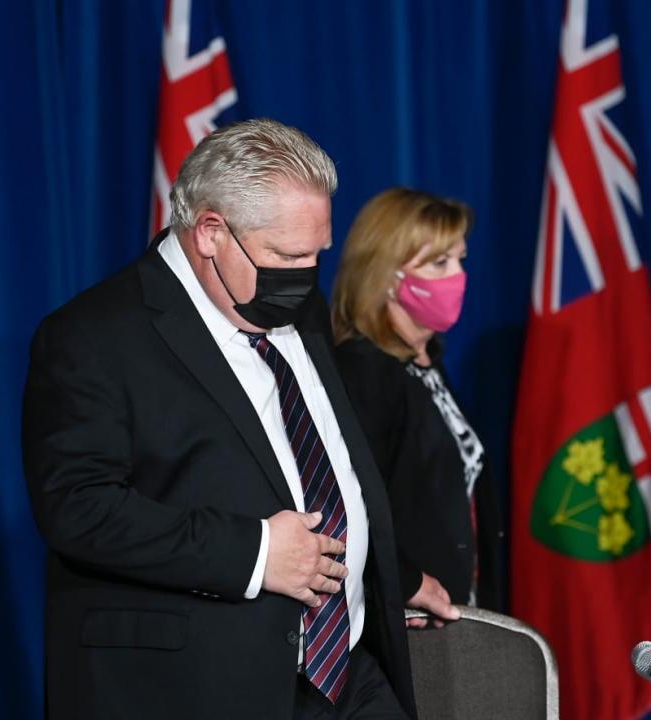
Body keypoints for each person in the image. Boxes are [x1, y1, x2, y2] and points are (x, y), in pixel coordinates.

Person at [22, 120, 418, 720]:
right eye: (288, 255)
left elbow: (323, 459)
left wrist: (395, 574)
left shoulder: (293, 301)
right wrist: (256, 553)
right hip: (199, 689)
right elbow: (79, 508)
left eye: (317, 255)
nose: (308, 276)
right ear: (210, 232)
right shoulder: (92, 337)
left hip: (348, 675)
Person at [331, 188, 504, 621]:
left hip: (460, 616)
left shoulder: (426, 366)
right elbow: (349, 507)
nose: (458, 276)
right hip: (407, 626)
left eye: (461, 259)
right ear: (387, 275)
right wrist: (405, 582)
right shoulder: (365, 372)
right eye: (440, 263)